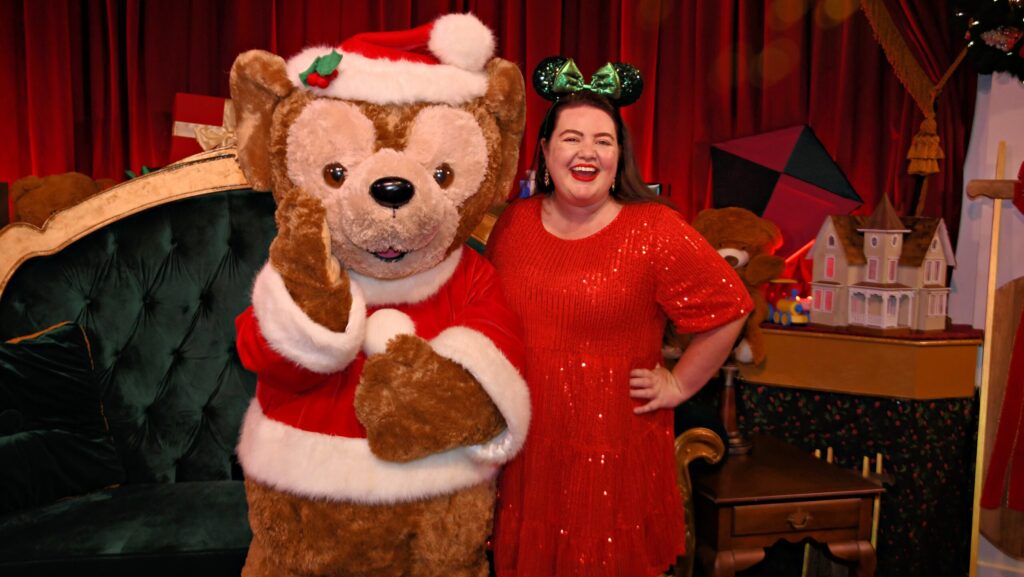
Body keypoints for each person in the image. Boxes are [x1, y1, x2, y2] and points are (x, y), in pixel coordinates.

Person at [485, 57, 753, 577]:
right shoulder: (512, 224)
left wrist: (678, 382)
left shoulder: (654, 229)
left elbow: (730, 307)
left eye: (603, 141)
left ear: (619, 156)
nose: (587, 151)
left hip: (612, 455)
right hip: (527, 454)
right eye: (571, 138)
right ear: (544, 150)